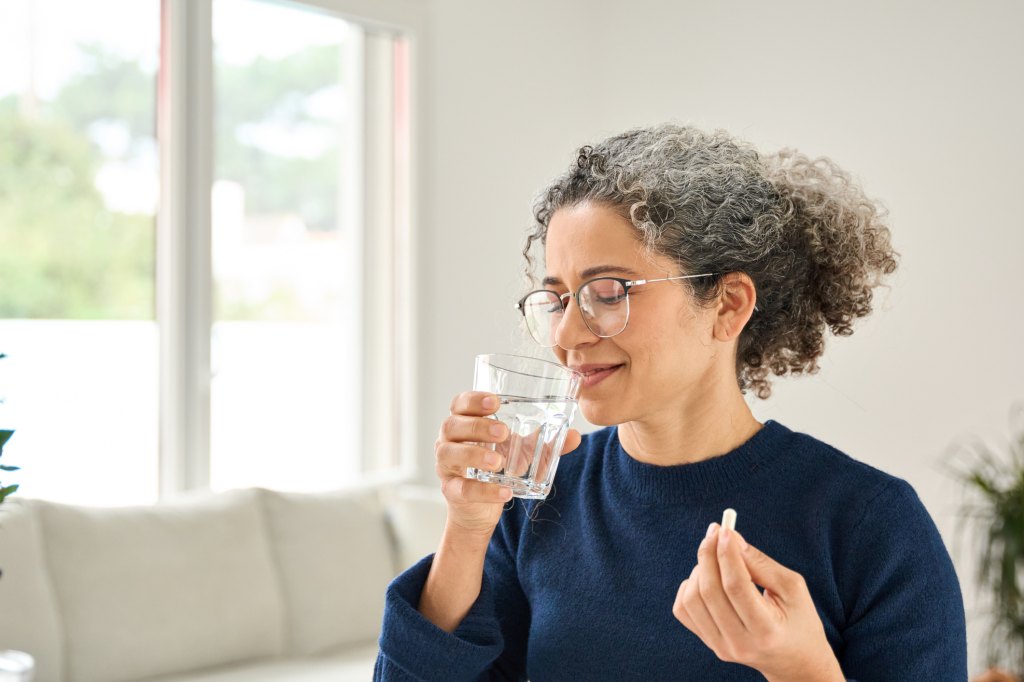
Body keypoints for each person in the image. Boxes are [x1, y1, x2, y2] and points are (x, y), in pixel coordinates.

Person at [374, 123, 968, 681]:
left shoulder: (870, 522)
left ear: (729, 305)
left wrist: (800, 667)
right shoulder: (538, 496)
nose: (566, 334)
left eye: (608, 292)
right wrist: (468, 526)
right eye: (556, 299)